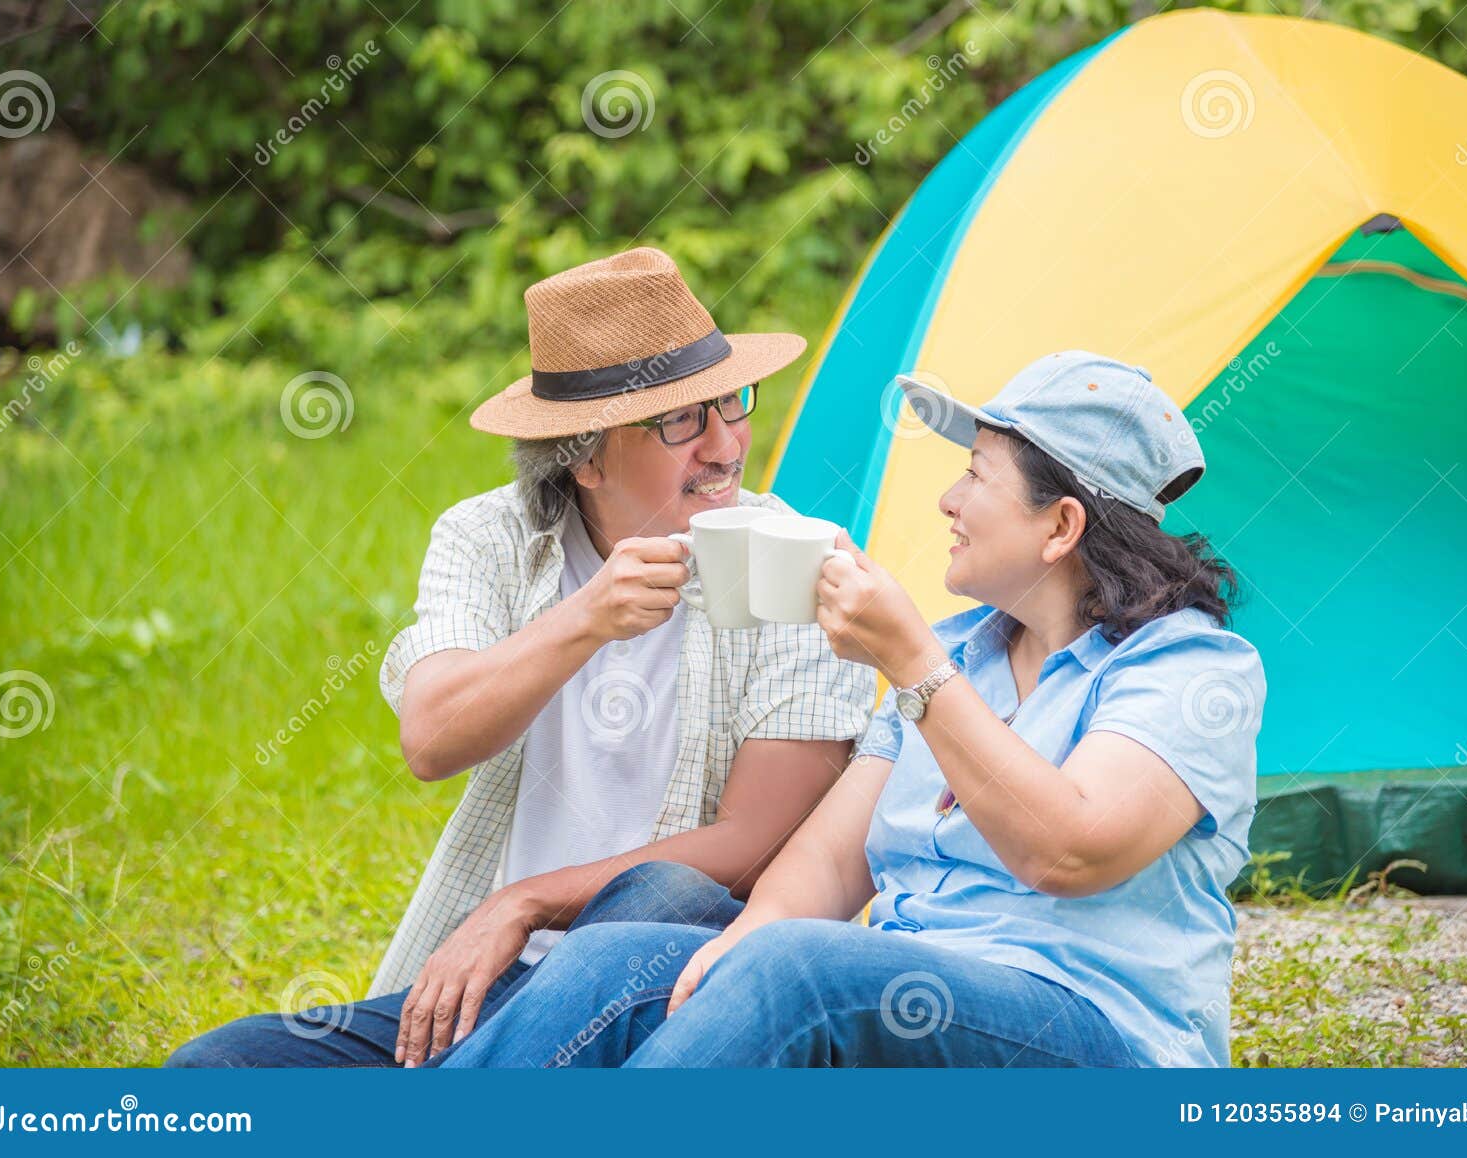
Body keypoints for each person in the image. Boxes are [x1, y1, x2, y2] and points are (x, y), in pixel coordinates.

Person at [437, 350, 1266, 1069]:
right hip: (914, 1009)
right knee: (618, 960)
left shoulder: (1190, 670)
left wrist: (911, 662)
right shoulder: (969, 654)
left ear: (1061, 526)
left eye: (975, 475)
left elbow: (1070, 853)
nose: (947, 500)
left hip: (1097, 1037)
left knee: (798, 971)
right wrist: (738, 943)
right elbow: (832, 863)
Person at [165, 247, 875, 1067]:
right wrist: (585, 620)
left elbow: (753, 842)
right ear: (585, 454)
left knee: (660, 894)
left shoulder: (793, 558)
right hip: (502, 989)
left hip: (680, 992)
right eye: (681, 421)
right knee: (214, 1069)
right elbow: (432, 739)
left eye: (730, 403)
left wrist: (527, 902)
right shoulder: (488, 538)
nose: (724, 444)